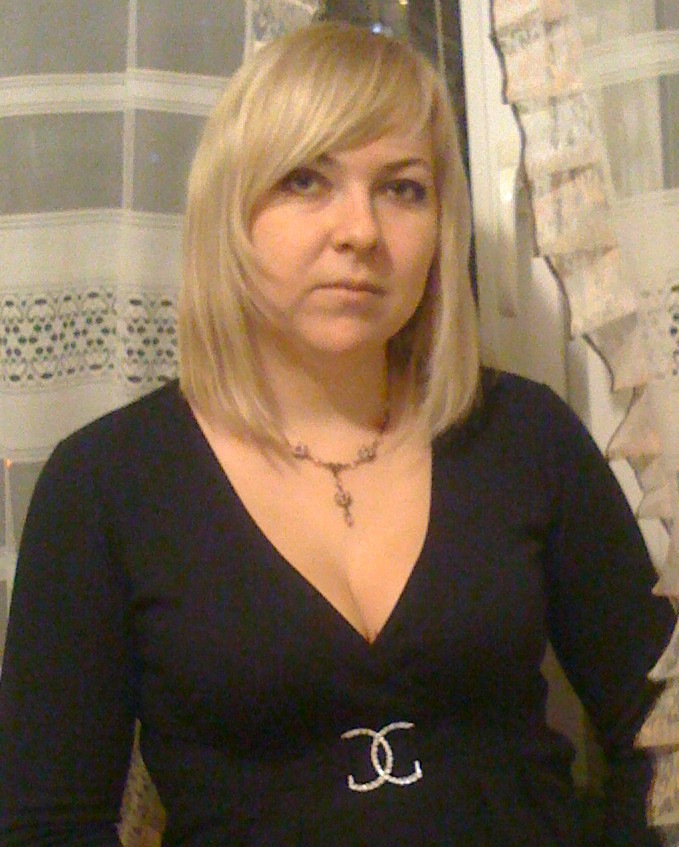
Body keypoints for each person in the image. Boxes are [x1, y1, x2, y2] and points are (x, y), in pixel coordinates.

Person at [0, 21, 674, 847]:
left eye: (402, 189)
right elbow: (50, 821)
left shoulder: (525, 436)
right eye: (306, 180)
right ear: (229, 213)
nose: (360, 231)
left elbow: (660, 725)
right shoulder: (104, 484)